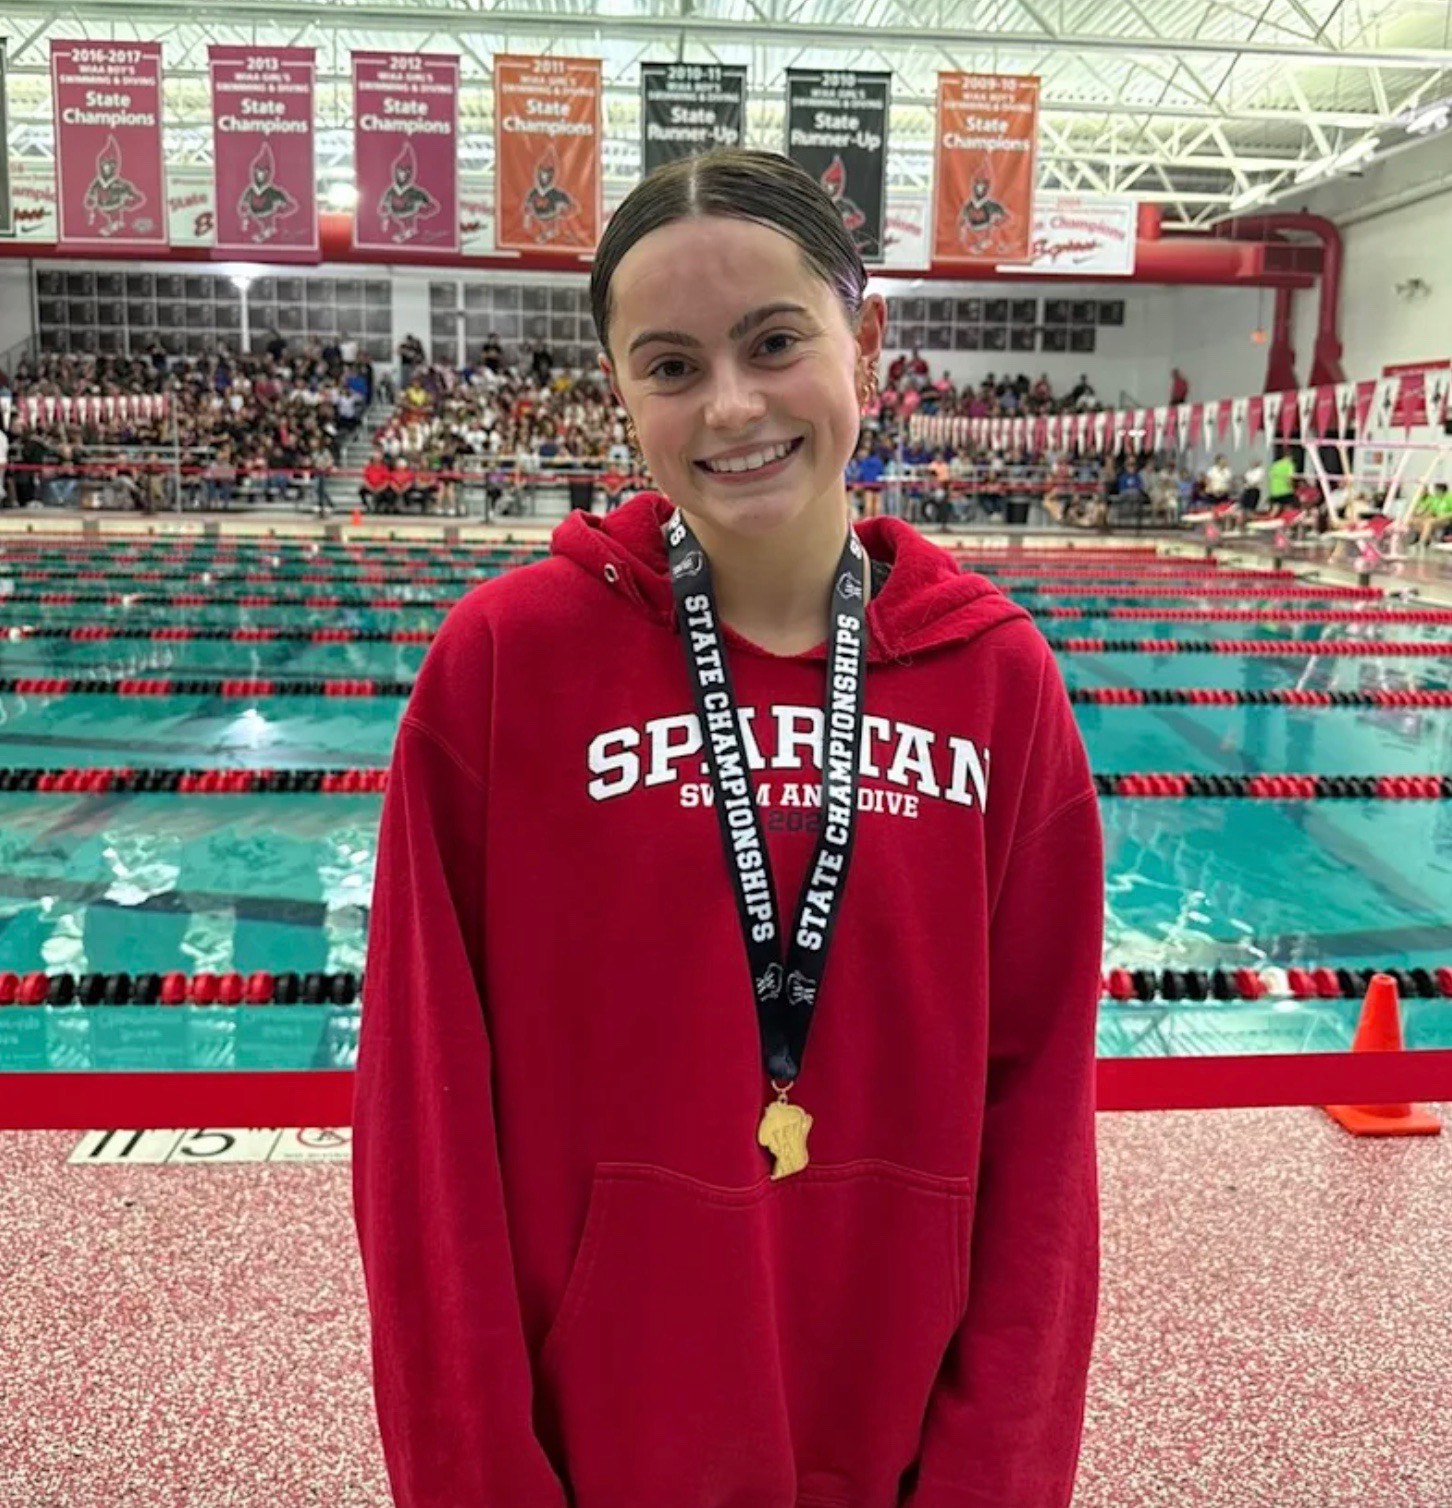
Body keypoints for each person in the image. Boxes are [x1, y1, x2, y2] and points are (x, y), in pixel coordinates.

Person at [354, 146, 1103, 1508]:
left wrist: (995, 1478)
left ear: (866, 341)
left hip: (903, 1456)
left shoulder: (999, 683)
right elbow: (421, 1136)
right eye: (672, 365)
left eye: (773, 342)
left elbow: (1042, 1130)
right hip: (596, 1458)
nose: (733, 405)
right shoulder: (506, 667)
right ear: (619, 389)